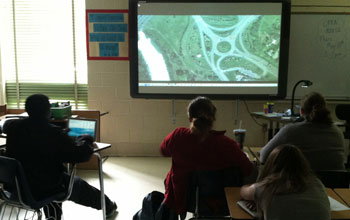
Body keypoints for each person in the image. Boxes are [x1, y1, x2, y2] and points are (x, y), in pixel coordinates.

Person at [2, 94, 117, 220]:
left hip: (15, 188)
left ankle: (52, 217)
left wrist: (62, 136)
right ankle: (108, 206)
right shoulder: (53, 133)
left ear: (27, 110)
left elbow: (7, 124)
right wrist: (86, 140)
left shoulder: (13, 127)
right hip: (42, 189)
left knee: (48, 176)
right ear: (48, 111)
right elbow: (80, 155)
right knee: (76, 184)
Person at [161, 96, 253, 218]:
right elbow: (248, 169)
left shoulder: (177, 136)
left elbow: (164, 151)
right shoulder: (227, 145)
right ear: (213, 118)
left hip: (185, 199)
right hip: (221, 202)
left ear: (189, 117)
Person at [240, 144, 331, 220]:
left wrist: (256, 196)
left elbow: (243, 192)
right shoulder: (317, 183)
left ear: (271, 164)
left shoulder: (265, 188)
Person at [260, 92, 345, 171]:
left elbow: (264, 156)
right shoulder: (337, 132)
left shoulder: (290, 131)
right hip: (335, 185)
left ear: (301, 111)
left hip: (302, 184)